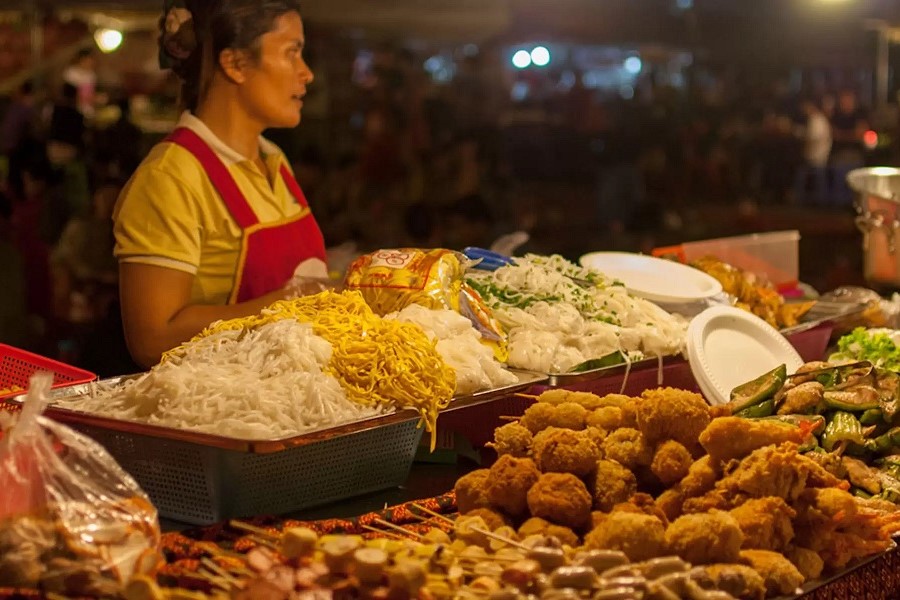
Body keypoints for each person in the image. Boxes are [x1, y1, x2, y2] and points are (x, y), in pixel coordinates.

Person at [113, 0, 328, 368]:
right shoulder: (170, 178)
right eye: (292, 53)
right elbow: (152, 338)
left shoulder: (273, 158)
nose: (306, 73)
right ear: (235, 64)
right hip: (224, 413)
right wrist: (296, 302)